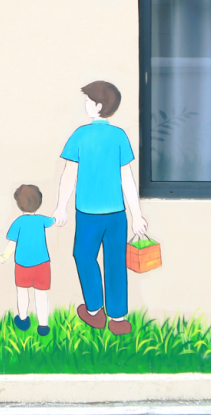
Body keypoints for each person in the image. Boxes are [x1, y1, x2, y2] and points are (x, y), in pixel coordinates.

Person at [51, 81, 147, 336]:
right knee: (115, 262)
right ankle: (118, 318)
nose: (86, 104)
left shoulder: (80, 135)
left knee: (83, 256)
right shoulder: (119, 136)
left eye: (89, 100)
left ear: (99, 106)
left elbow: (69, 175)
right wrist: (136, 215)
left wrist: (61, 207)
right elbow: (127, 179)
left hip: (88, 214)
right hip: (116, 215)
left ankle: (94, 310)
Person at [0, 184, 55, 336]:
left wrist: (4, 257)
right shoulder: (42, 220)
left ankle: (23, 320)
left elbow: (12, 243)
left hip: (22, 265)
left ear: (19, 204)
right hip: (42, 264)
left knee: (22, 293)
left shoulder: (18, 222)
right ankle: (43, 325)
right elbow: (53, 221)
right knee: (41, 294)